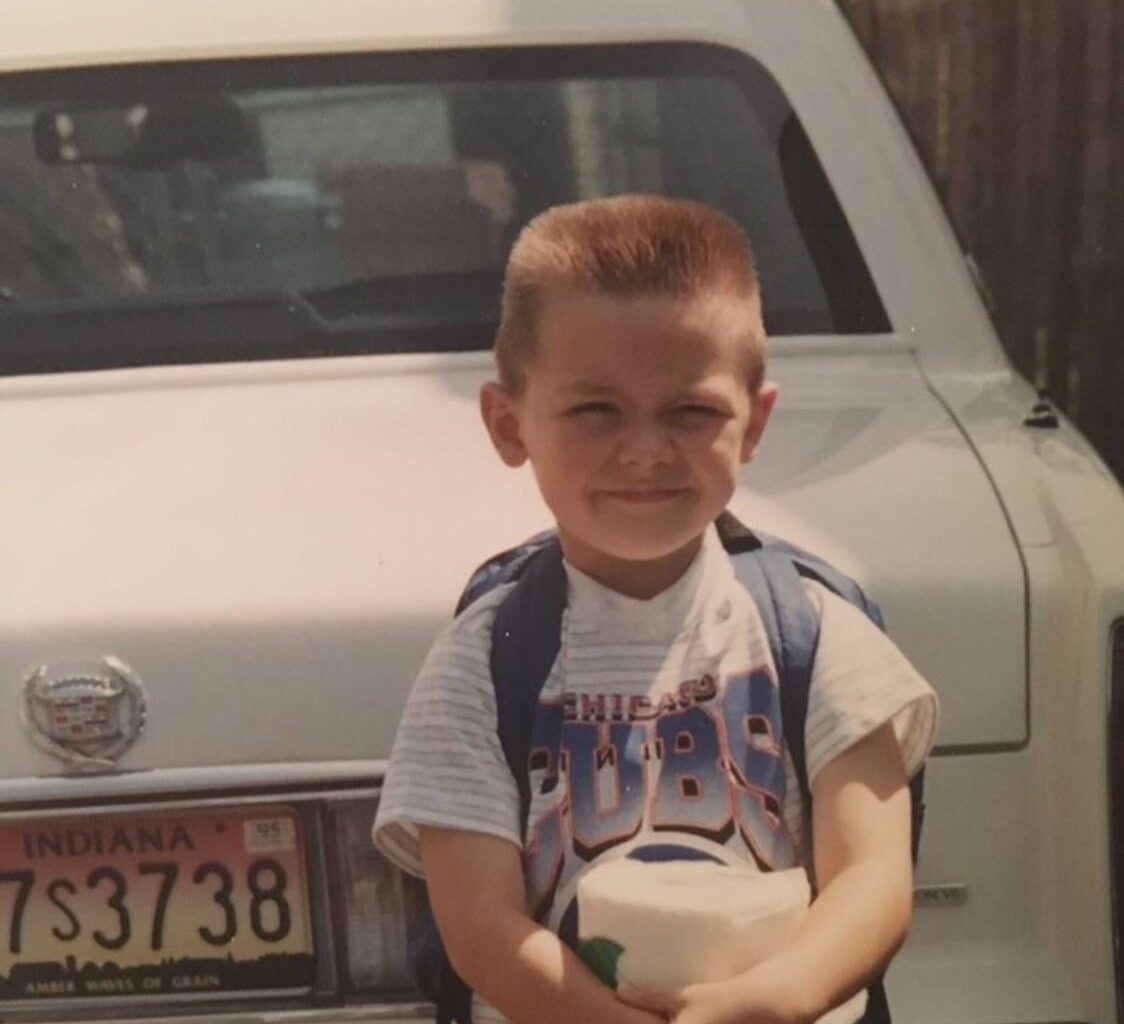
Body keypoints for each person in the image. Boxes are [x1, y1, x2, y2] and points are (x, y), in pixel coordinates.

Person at [373, 194, 938, 1024]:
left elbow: (872, 881)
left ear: (754, 424)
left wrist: (777, 998)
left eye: (692, 410)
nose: (644, 449)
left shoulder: (816, 634)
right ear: (508, 423)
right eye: (594, 409)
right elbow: (478, 923)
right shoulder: (484, 662)